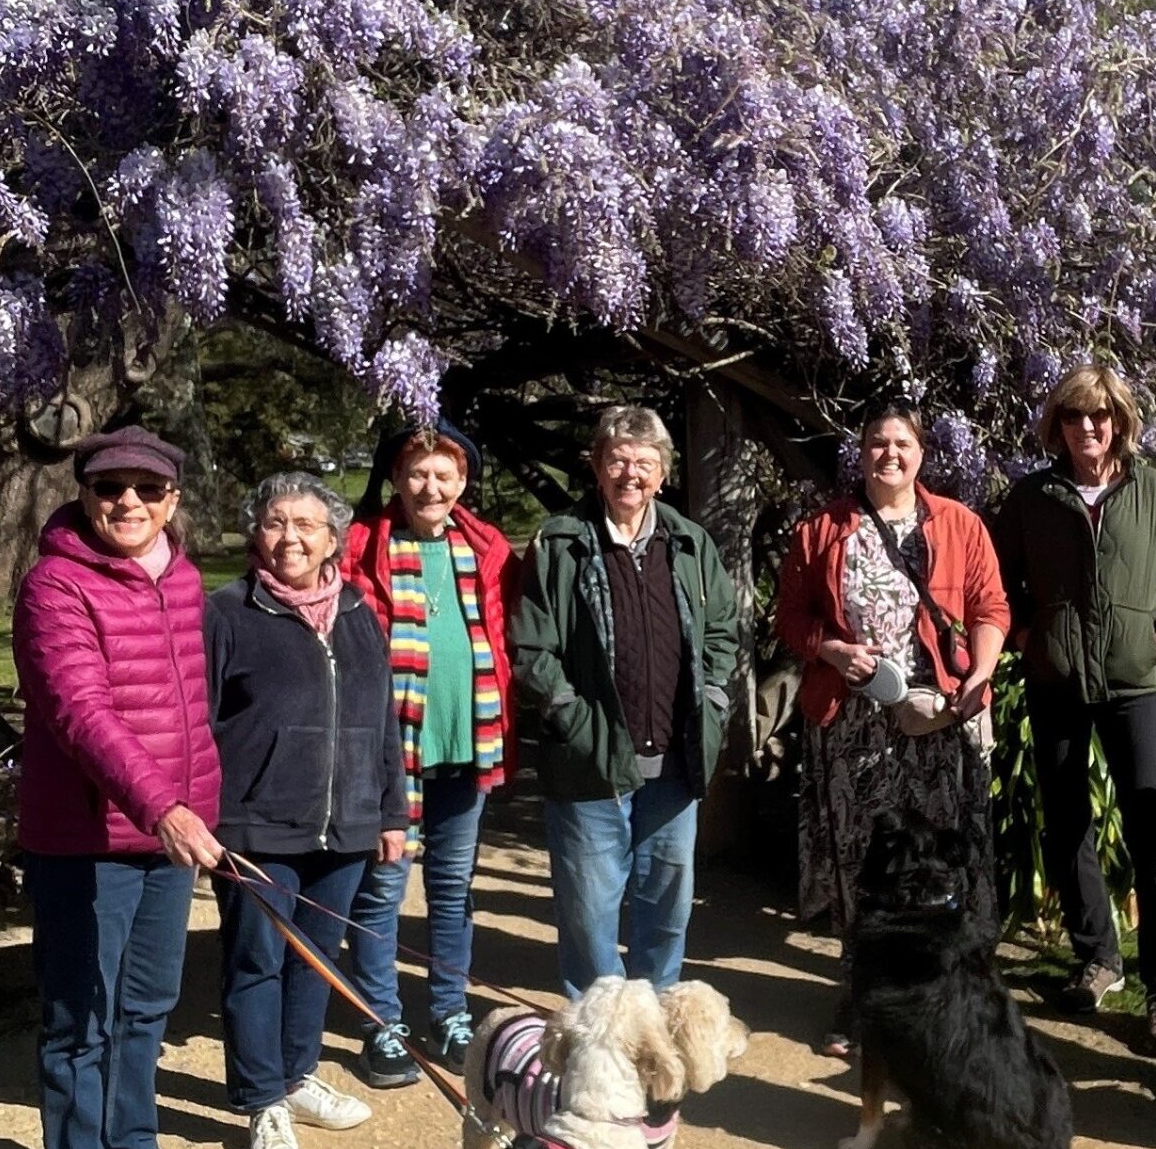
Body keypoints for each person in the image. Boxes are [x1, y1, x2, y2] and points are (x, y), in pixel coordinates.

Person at [13, 426, 224, 1149]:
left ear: (173, 499)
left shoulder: (181, 578)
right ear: (86, 495)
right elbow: (81, 712)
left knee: (146, 1007)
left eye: (147, 488)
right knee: (81, 1020)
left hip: (164, 833)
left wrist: (193, 808)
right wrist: (164, 805)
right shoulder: (53, 586)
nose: (127, 503)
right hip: (86, 841)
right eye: (110, 488)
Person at [775, 400, 1011, 1054]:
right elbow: (789, 617)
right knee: (862, 860)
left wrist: (978, 675)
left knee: (936, 858)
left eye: (901, 444)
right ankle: (859, 994)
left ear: (922, 452)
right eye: (877, 443)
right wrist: (831, 650)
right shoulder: (824, 528)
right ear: (861, 450)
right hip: (853, 723)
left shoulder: (958, 524)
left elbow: (991, 605)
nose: (889, 455)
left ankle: (938, 993)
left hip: (935, 719)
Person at [992, 364, 1156, 1056]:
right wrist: (1028, 635)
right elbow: (995, 581)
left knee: (1154, 832)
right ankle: (1097, 958)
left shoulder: (1154, 492)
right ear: (1056, 427)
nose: (1088, 428)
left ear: (1119, 421)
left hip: (1133, 684)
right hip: (1056, 682)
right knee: (1065, 824)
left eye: (1100, 416)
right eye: (1074, 417)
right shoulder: (1033, 498)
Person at [204, 472, 409, 1149]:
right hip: (257, 823)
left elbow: (383, 718)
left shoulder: (357, 612)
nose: (289, 537)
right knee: (255, 961)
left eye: (305, 525)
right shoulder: (228, 612)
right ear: (255, 533)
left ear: (332, 539)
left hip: (347, 825)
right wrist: (211, 820)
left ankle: (296, 1076)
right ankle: (261, 1098)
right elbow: (199, 726)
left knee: (316, 962)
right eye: (274, 522)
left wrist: (391, 813)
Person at [510, 404, 740, 996]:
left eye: (645, 462)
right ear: (596, 466)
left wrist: (712, 698)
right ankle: (598, 1032)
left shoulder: (690, 543)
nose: (630, 474)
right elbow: (533, 648)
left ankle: (655, 1026)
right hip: (591, 762)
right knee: (588, 913)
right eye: (618, 460)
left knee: (667, 906)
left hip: (675, 759)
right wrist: (570, 717)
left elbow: (723, 631)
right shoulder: (561, 543)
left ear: (663, 473)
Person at [343, 424, 518, 1076]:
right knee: (382, 888)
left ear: (462, 482)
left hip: (467, 744)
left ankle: (449, 1013)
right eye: (418, 474)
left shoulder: (487, 549)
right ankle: (382, 1021)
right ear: (396, 479)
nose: (430, 487)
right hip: (393, 750)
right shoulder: (364, 546)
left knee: (452, 890)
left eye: (444, 475)